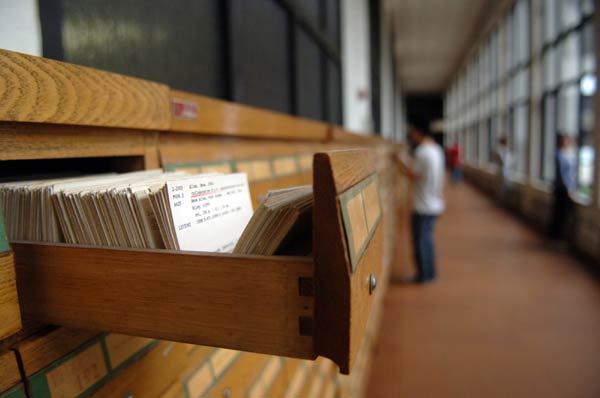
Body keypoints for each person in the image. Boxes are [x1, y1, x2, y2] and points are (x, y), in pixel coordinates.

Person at [394, 121, 445, 283]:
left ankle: (423, 276)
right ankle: (430, 273)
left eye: (413, 132)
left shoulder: (422, 151)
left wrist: (399, 161)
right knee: (427, 241)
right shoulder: (437, 149)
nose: (411, 136)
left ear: (418, 132)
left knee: (421, 242)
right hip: (435, 203)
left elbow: (413, 174)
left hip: (423, 205)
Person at [548, 134, 577, 241]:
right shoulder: (559, 154)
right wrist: (568, 188)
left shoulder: (569, 154)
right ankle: (555, 236)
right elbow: (562, 174)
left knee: (563, 213)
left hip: (568, 188)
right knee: (559, 213)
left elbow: (572, 173)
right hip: (562, 189)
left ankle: (557, 235)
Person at [492, 136, 513, 204]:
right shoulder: (501, 151)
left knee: (500, 188)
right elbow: (505, 162)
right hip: (503, 172)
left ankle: (500, 201)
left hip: (503, 171)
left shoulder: (501, 150)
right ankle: (501, 202)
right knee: (501, 188)